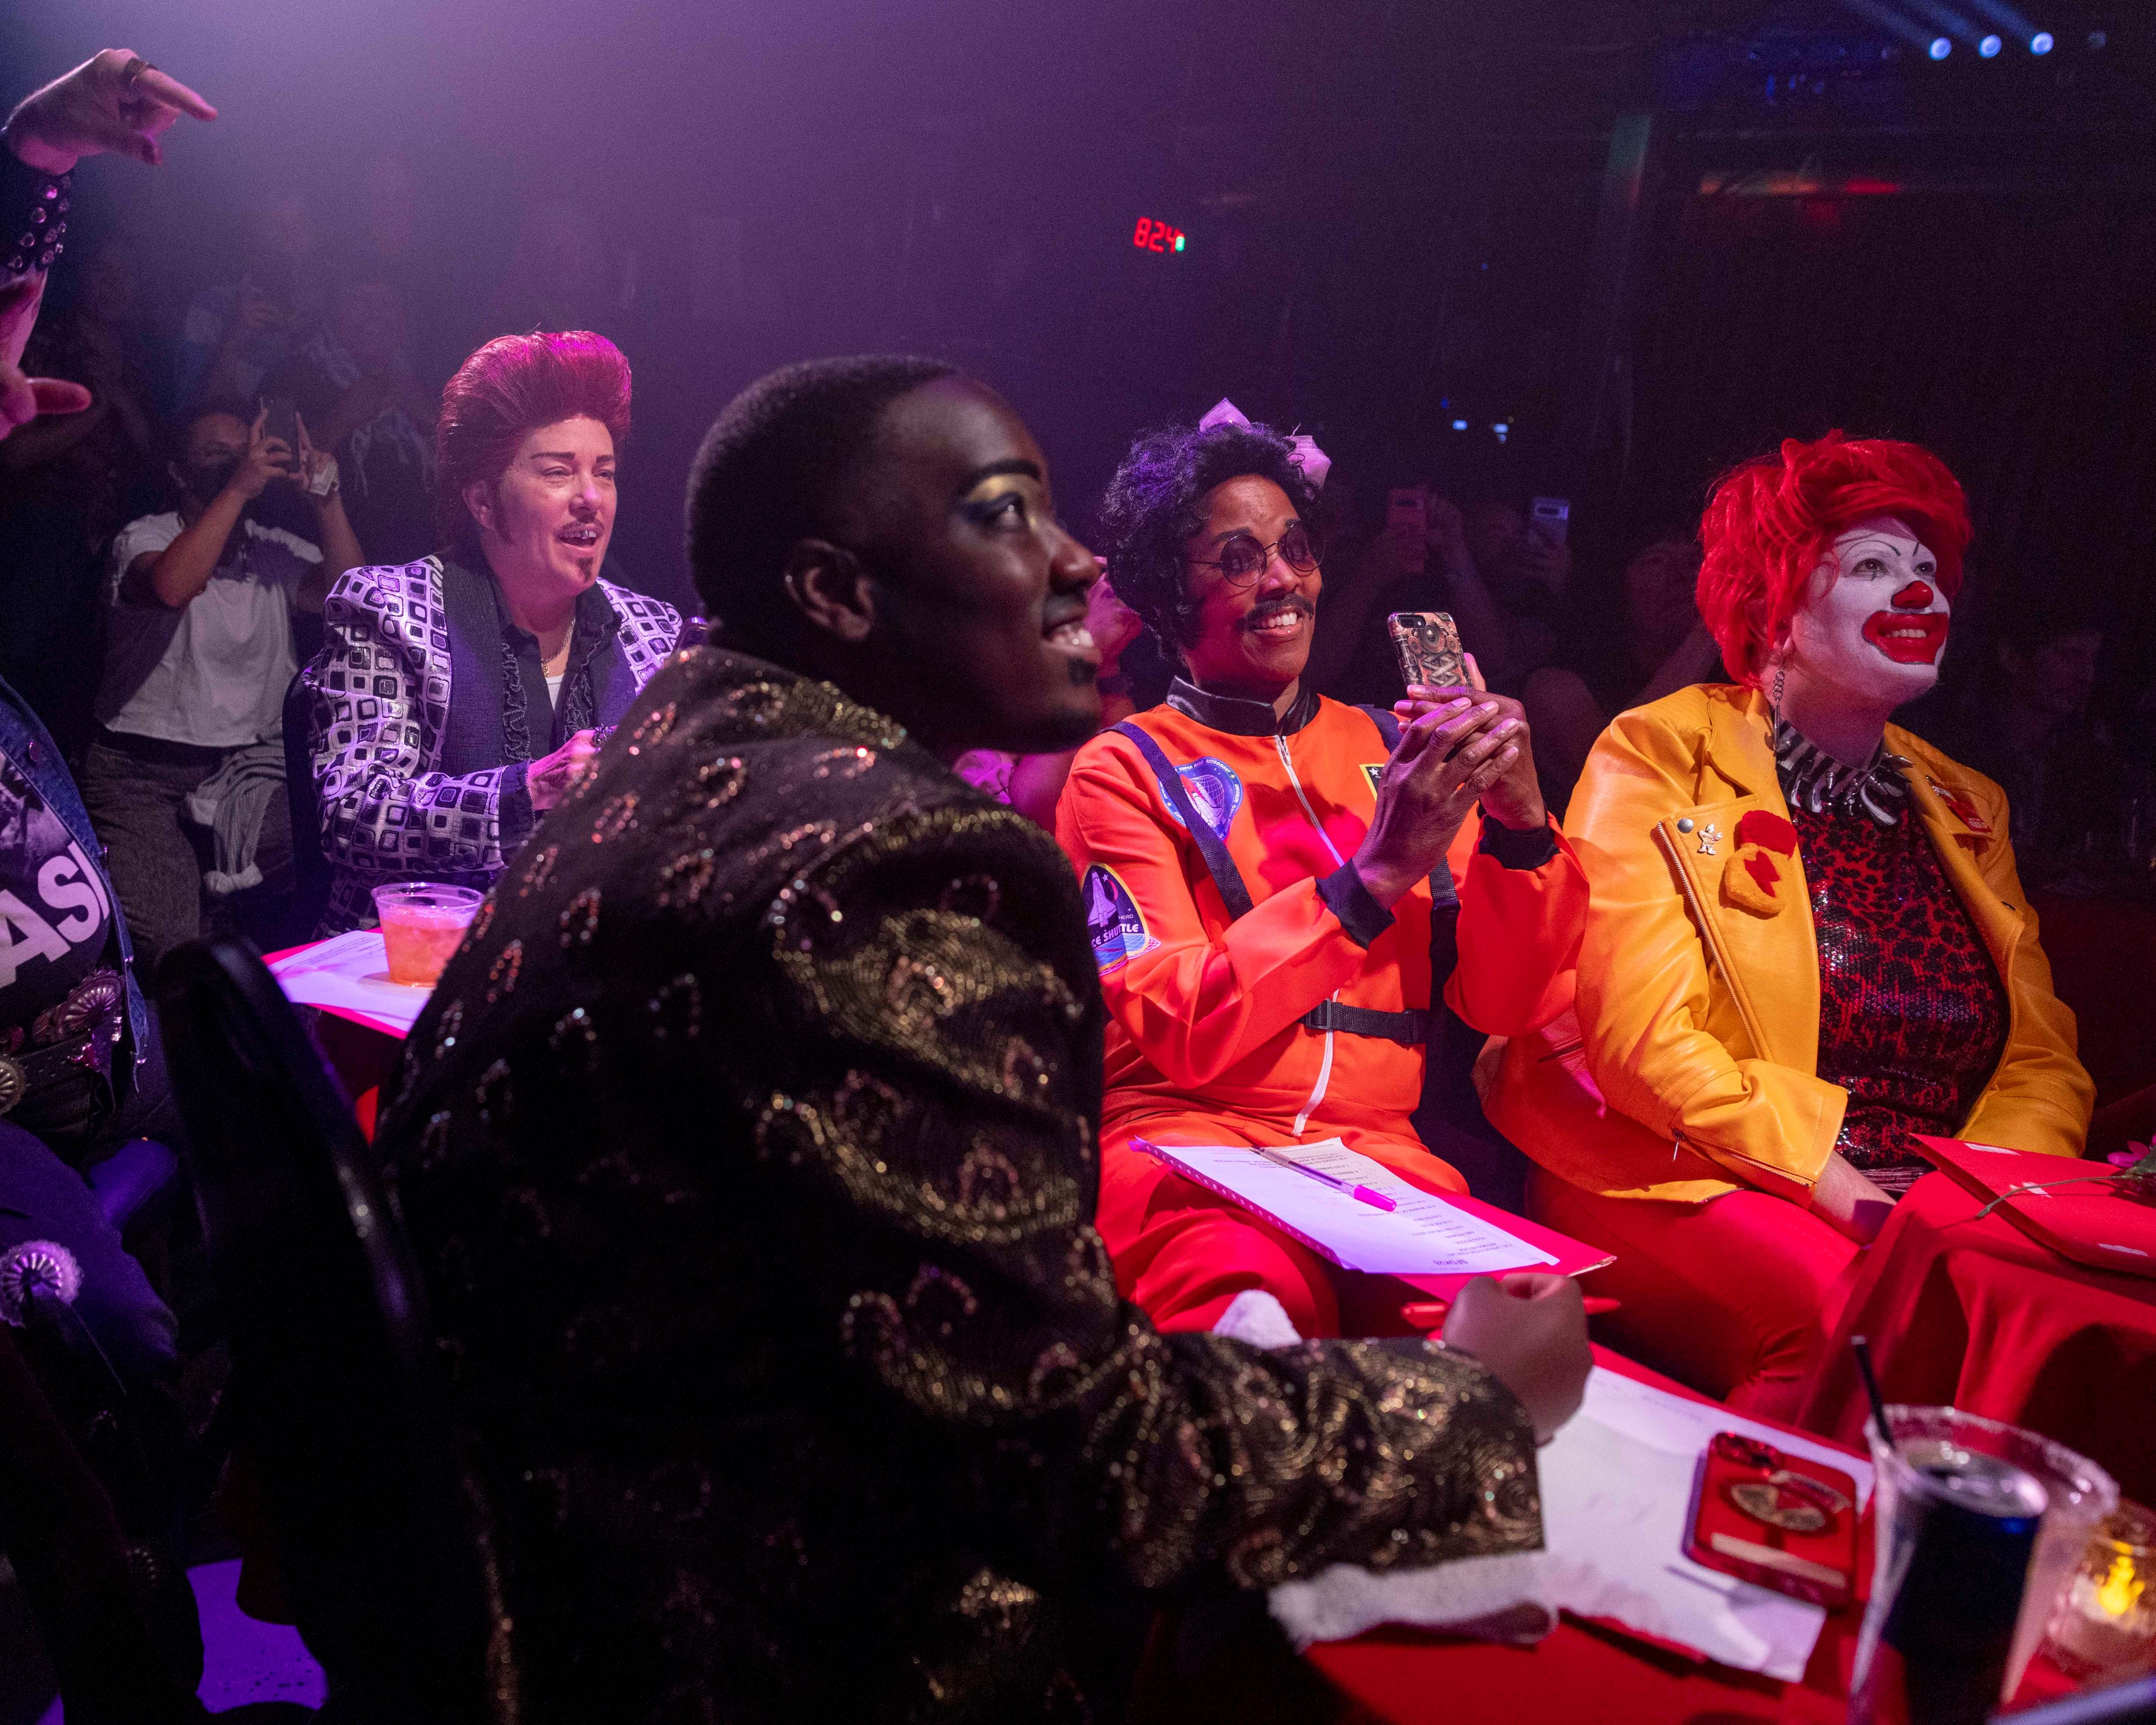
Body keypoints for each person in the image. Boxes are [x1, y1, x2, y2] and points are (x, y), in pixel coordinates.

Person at [374, 355, 1589, 1721]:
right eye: (1008, 516)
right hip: (726, 1642)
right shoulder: (892, 858)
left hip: (536, 1584)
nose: (1078, 564)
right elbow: (1084, 1458)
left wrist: (1524, 829)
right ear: (836, 592)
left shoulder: (670, 755)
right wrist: (1465, 1409)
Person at [1486, 433, 2094, 1417]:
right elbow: (1644, 1040)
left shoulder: (1965, 800)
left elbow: (2040, 1057)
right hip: (1670, 1163)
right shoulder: (1659, 750)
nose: (1918, 596)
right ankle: (1753, 1558)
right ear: (1773, 606)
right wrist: (1839, 1185)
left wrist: (1973, 1201)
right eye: (1870, 568)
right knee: (1842, 1320)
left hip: (1922, 1199)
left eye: (1928, 572)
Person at [1056, 419, 1590, 1338]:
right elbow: (1180, 1030)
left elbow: (1500, 1004)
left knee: (1518, 1339)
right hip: (1184, 1140)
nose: (1281, 582)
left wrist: (1522, 829)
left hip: (1375, 1155)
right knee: (1257, 1317)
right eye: (1236, 558)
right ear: (1163, 595)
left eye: (1293, 550)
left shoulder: (1391, 745)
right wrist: (1375, 872)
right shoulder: (1122, 769)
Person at [0, 45, 220, 1717]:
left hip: (105, 1119)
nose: (15, 385)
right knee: (109, 1361)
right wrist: (40, 153)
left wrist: (46, 160)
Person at [300, 330, 679, 932]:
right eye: (559, 472)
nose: (590, 498)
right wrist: (528, 791)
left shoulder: (652, 630)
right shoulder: (389, 608)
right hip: (420, 972)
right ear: (482, 500)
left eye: (603, 474)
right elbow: (355, 816)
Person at [80, 399, 359, 970]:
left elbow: (354, 598)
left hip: (244, 773)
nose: (235, 465)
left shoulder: (271, 549)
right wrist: (238, 486)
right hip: (142, 777)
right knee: (174, 952)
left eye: (242, 454)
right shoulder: (143, 537)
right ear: (180, 473)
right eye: (215, 456)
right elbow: (172, 586)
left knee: (326, 860)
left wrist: (326, 499)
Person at [0, 234, 163, 752]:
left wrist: (117, 397)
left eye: (126, 275)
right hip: (40, 529)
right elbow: (14, 452)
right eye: (101, 270)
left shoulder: (141, 358)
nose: (114, 285)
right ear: (83, 276)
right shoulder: (48, 338)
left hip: (112, 543)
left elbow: (159, 458)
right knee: (19, 668)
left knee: (77, 686)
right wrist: (96, 409)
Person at [1521, 533, 1724, 816]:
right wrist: (1711, 628)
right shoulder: (1554, 684)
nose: (1681, 576)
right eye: (1657, 561)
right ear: (1619, 585)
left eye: (1692, 562)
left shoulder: (1735, 683)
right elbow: (1615, 770)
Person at [263, 274, 438, 564]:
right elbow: (276, 478)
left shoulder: (417, 380)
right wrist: (344, 418)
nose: (375, 316)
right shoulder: (291, 377)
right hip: (327, 568)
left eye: (387, 304)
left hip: (417, 563)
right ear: (335, 310)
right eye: (363, 302)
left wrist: (428, 414)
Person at [173, 191, 324, 411]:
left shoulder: (333, 317)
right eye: (276, 228)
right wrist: (236, 338)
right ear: (254, 237)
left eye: (298, 228)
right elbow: (192, 414)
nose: (287, 242)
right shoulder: (214, 305)